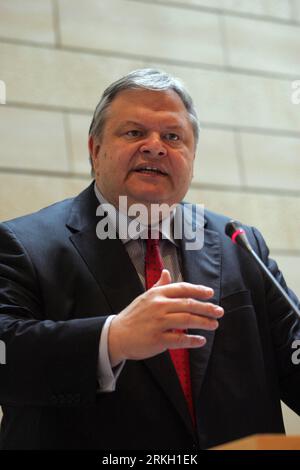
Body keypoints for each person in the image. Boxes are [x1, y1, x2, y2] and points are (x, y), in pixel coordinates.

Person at [0, 69, 299, 450]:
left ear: (191, 158)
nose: (155, 147)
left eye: (173, 137)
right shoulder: (23, 243)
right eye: (134, 132)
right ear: (94, 149)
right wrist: (113, 339)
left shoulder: (239, 243)